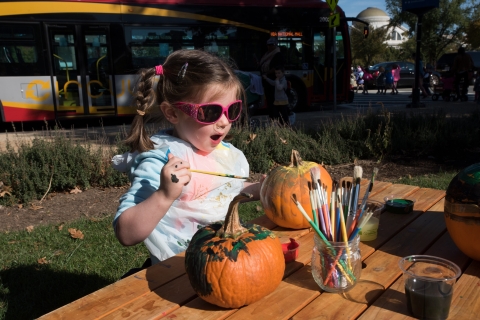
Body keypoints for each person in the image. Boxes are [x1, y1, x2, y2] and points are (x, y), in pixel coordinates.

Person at [111, 50, 263, 274]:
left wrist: (261, 189)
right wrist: (164, 195)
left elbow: (224, 189)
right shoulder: (161, 161)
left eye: (232, 110)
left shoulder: (221, 153)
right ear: (172, 113)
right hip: (175, 272)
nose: (224, 122)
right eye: (210, 112)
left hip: (218, 264)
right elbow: (126, 233)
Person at [258, 37, 284, 121]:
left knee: (273, 101)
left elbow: (277, 67)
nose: (269, 47)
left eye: (271, 45)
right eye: (268, 45)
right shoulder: (267, 54)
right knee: (269, 101)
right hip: (267, 81)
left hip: (273, 80)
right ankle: (272, 117)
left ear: (275, 45)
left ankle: (275, 118)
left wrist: (267, 73)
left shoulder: (277, 54)